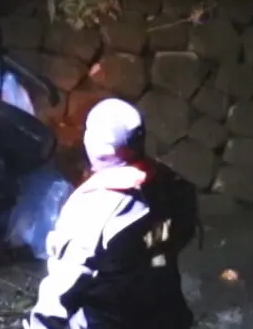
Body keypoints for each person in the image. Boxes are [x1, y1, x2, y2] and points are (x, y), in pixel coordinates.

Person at [25, 98, 199, 329]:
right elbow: (182, 235)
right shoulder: (170, 183)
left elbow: (60, 294)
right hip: (169, 314)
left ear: (100, 149)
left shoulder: (92, 209)